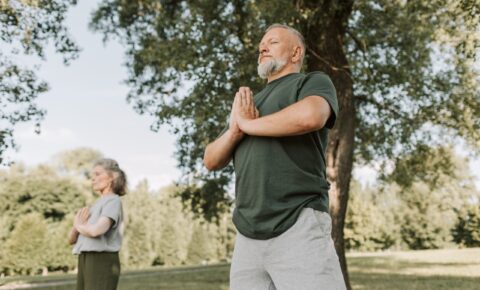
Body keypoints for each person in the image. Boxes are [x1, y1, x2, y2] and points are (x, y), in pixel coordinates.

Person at [204, 24, 346, 290]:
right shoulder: (249, 105)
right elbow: (211, 159)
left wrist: (247, 126)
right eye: (261, 45)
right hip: (248, 234)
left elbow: (311, 116)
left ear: (295, 53)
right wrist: (235, 129)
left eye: (273, 42)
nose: (263, 47)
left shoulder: (311, 82)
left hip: (298, 222)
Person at [68, 158, 127, 290]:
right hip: (85, 258)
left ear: (112, 177)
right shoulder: (94, 206)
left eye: (97, 174)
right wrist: (77, 226)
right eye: (92, 176)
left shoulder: (113, 201)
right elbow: (71, 240)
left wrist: (78, 225)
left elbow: (96, 231)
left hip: (102, 260)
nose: (93, 179)